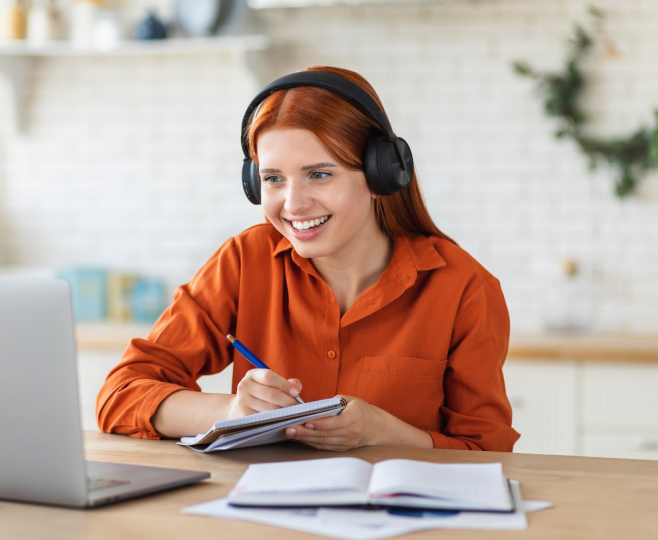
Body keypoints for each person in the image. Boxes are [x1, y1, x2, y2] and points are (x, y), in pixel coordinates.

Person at [96, 66, 520, 452]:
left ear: (380, 175)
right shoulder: (244, 262)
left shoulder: (464, 289)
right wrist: (229, 413)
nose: (293, 204)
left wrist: (382, 431)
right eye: (273, 179)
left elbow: (490, 453)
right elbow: (121, 395)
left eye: (319, 174)